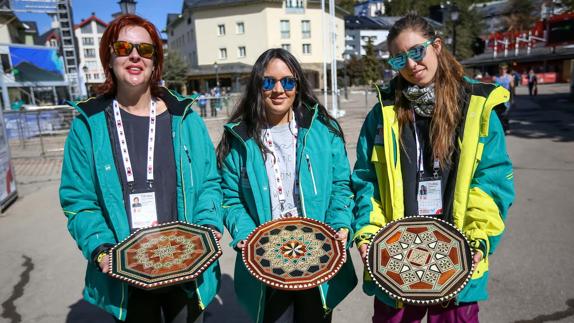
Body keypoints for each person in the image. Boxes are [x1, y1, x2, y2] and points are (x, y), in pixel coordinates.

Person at [59, 14, 223, 323]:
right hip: (126, 272)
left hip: (186, 265)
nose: (135, 55)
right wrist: (101, 248)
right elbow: (78, 200)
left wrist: (209, 225)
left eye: (145, 50)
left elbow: (210, 183)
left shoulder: (184, 117)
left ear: (155, 61)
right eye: (123, 47)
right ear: (109, 56)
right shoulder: (88, 125)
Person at [352, 14, 515, 323]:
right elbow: (366, 181)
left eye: (416, 52)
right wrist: (368, 234)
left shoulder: (476, 107)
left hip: (458, 252)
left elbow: (490, 182)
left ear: (436, 47)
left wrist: (477, 239)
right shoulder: (383, 114)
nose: (411, 64)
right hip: (396, 256)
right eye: (400, 59)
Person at [217, 48, 357, 323]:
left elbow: (342, 185)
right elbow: (230, 197)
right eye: (269, 82)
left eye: (288, 81)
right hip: (266, 255)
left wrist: (340, 225)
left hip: (318, 253)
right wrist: (246, 236)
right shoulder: (240, 138)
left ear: (298, 85)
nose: (278, 89)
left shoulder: (323, 130)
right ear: (258, 85)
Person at [493, 63, 514, 133]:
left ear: (506, 70)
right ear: (499, 69)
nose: (502, 70)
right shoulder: (495, 78)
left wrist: (512, 99)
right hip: (497, 99)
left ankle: (506, 128)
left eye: (504, 69)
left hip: (506, 99)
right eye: (501, 69)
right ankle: (500, 129)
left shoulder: (509, 77)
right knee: (498, 114)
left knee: (505, 114)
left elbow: (512, 89)